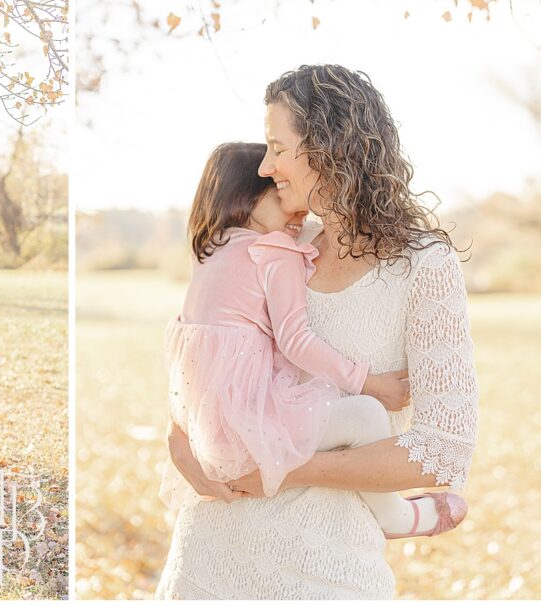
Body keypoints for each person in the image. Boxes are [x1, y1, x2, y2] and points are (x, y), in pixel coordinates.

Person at [156, 65, 479, 599]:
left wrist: (288, 470)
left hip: (329, 571)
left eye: (277, 147)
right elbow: (204, 364)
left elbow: (444, 449)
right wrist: (178, 443)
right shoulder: (272, 243)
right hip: (208, 562)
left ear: (328, 147)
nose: (265, 166)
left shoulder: (423, 265)